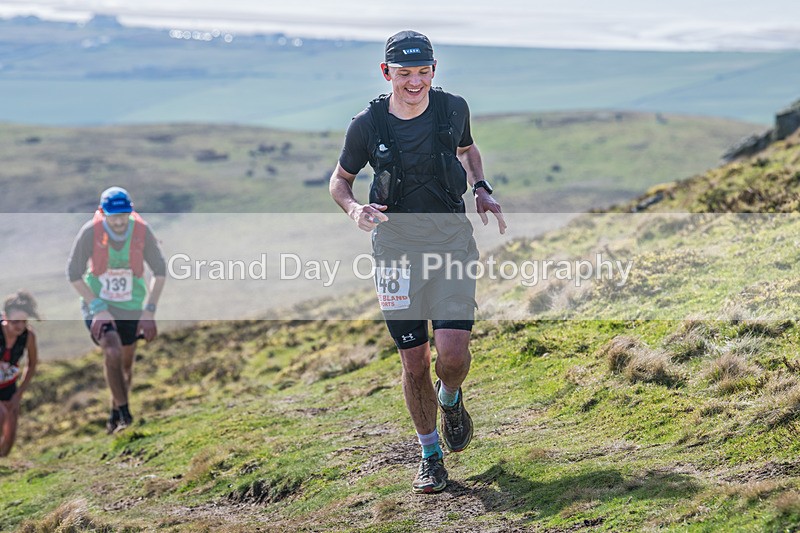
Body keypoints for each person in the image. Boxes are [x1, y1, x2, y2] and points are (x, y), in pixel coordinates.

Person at [329, 30, 506, 493]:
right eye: (404, 73)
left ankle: (451, 397)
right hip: (394, 252)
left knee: (453, 355)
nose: (414, 82)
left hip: (451, 244)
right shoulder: (367, 125)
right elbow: (340, 180)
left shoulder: (453, 109)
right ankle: (430, 456)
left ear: (434, 70)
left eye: (423, 72)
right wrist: (354, 209)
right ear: (386, 72)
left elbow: (467, 149)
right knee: (414, 362)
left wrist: (480, 187)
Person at [66, 186, 166, 434]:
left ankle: (114, 415)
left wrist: (149, 311)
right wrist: (98, 307)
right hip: (98, 303)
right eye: (114, 216)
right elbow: (73, 274)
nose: (119, 221)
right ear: (103, 213)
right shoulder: (90, 233)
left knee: (125, 365)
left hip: (131, 305)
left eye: (124, 215)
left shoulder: (141, 231)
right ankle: (126, 416)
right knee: (112, 351)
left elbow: (160, 271)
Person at [0, 291, 39, 456]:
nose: (20, 326)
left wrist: (18, 394)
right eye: (15, 321)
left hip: (9, 386)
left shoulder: (28, 336)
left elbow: (32, 364)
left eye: (24, 321)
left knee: (9, 439)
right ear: (5, 317)